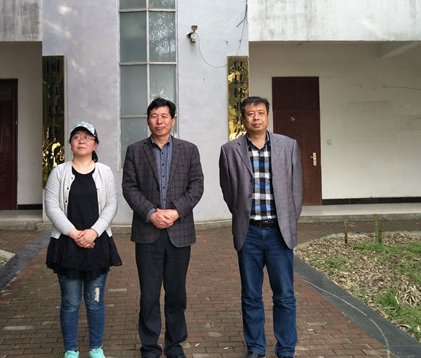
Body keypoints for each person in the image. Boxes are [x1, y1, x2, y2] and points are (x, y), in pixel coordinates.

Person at [219, 96, 303, 358]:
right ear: (243, 118)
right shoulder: (230, 150)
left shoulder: (288, 146)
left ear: (268, 116)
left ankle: (286, 348)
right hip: (250, 233)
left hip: (279, 233)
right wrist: (242, 216)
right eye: (250, 113)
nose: (256, 117)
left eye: (261, 113)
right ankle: (256, 347)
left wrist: (287, 221)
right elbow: (228, 191)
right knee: (251, 294)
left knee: (284, 294)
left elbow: (296, 189)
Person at [122, 97, 204, 358]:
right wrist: (150, 213)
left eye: (164, 116)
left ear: (173, 120)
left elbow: (197, 185)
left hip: (179, 232)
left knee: (176, 294)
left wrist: (176, 211)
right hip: (147, 233)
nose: (159, 121)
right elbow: (129, 188)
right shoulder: (135, 150)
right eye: (154, 116)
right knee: (149, 294)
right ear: (148, 120)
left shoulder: (189, 150)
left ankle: (174, 345)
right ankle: (149, 346)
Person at [45, 121, 122, 358]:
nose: (81, 141)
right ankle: (71, 350)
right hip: (67, 245)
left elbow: (111, 205)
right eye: (77, 136)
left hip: (97, 244)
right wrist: (75, 234)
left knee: (95, 301)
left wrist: (93, 232)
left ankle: (96, 348)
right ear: (70, 143)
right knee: (70, 302)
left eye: (87, 137)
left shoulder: (104, 172)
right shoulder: (59, 172)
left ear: (95, 144)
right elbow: (52, 207)